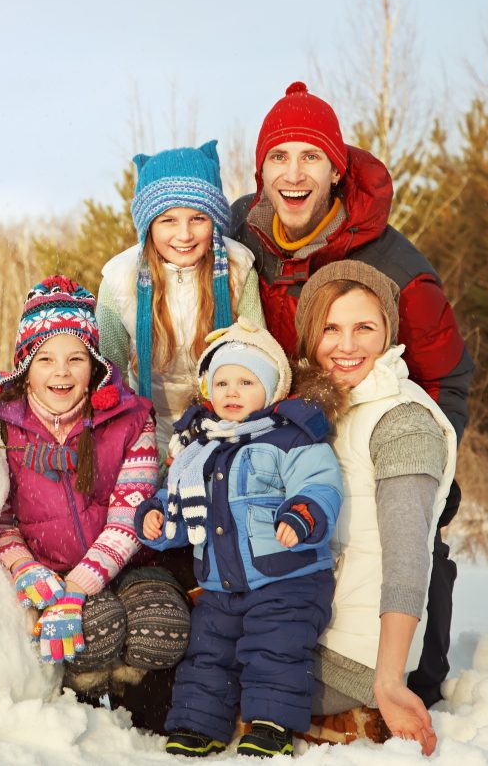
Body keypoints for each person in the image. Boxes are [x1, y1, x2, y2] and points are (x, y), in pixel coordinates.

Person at [228, 82, 473, 706]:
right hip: (281, 429)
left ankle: (406, 666)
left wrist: (423, 464)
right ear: (261, 173)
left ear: (336, 170)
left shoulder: (395, 265)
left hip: (377, 427)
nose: (293, 172)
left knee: (401, 535)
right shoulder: (239, 242)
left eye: (310, 157)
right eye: (279, 157)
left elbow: (448, 373)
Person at [134, 317, 343, 758]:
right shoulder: (198, 450)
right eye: (222, 381)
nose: (232, 391)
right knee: (208, 653)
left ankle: (271, 724)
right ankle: (197, 722)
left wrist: (303, 513)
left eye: (246, 381)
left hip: (288, 577)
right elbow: (175, 499)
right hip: (219, 584)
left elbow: (319, 484)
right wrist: (155, 515)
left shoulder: (291, 439)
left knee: (276, 648)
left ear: (272, 391)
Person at [0, 275, 191, 713]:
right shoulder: (1, 427)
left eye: (76, 358)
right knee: (94, 634)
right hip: (49, 571)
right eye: (46, 359)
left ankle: (149, 714)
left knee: (160, 625)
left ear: (94, 364)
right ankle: (86, 714)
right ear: (25, 366)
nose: (61, 372)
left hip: (131, 564)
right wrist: (26, 571)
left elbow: (129, 517)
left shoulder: (129, 419)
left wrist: (80, 587)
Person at [294, 260, 458, 756]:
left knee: (198, 687)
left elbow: (408, 557)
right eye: (330, 328)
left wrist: (388, 679)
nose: (347, 346)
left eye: (364, 328)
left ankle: (358, 714)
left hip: (352, 656)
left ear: (388, 332)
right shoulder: (321, 409)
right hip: (307, 623)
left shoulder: (401, 420)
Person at [98, 140, 265, 461]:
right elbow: (109, 374)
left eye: (198, 219)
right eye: (169, 220)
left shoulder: (237, 269)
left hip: (223, 425)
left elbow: (255, 358)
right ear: (148, 226)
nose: (185, 234)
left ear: (215, 221)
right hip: (146, 428)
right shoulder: (120, 280)